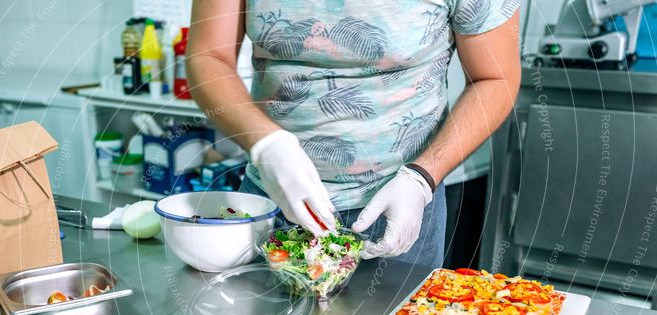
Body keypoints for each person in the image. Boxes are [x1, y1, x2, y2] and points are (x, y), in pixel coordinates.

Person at [187, 0, 520, 269]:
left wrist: (422, 177)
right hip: (271, 199)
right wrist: (266, 142)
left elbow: (495, 78)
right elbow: (208, 56)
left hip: (399, 205)